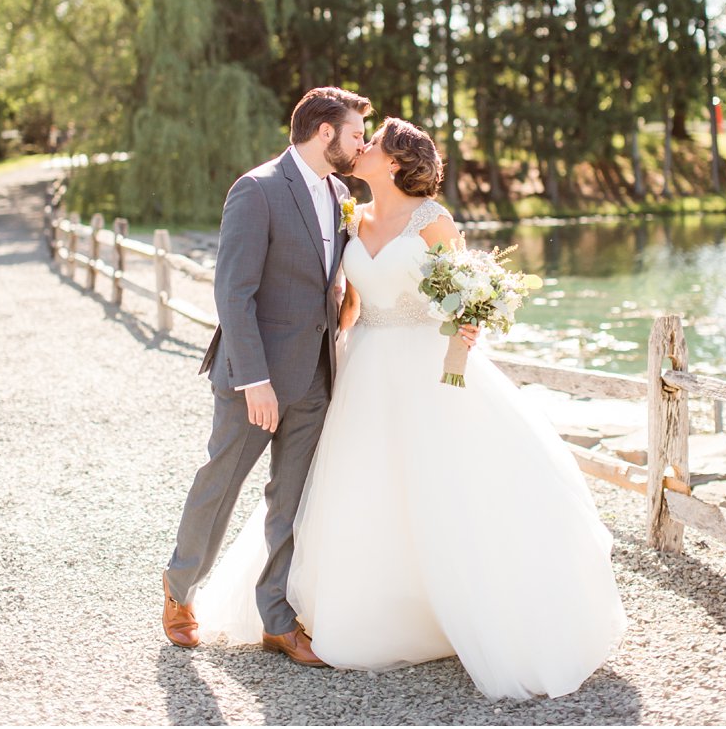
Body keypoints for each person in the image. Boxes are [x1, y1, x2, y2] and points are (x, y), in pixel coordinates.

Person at [194, 118, 627, 700]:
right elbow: (346, 303)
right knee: (360, 484)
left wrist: (458, 354)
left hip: (428, 370)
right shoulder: (353, 214)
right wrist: (327, 357)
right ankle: (365, 606)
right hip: (363, 365)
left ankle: (464, 607)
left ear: (395, 162)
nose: (362, 147)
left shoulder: (433, 220)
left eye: (372, 144)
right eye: (361, 138)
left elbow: (469, 295)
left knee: (439, 484)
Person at [160, 87, 372, 662]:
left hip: (318, 374)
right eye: (356, 133)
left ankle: (277, 619)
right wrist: (254, 380)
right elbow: (234, 291)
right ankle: (180, 589)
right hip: (255, 377)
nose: (361, 144)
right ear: (324, 133)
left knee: (292, 500)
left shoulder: (339, 193)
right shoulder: (256, 190)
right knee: (221, 483)